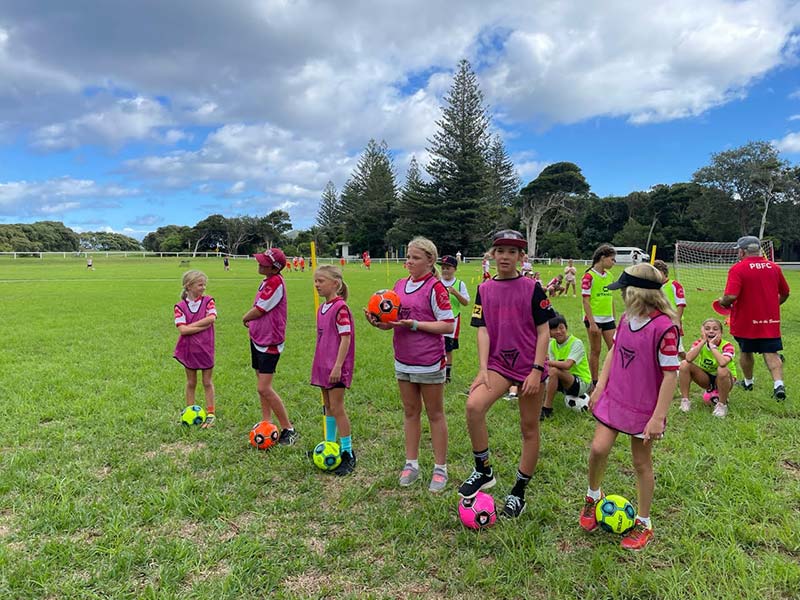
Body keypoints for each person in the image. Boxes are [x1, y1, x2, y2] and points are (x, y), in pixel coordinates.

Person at [579, 263, 679, 551]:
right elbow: (613, 353)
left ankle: (644, 523)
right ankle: (592, 497)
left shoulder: (665, 328)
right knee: (598, 449)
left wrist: (658, 418)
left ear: (636, 293)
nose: (621, 295)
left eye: (624, 290)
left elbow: (671, 374)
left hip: (644, 407)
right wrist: (599, 388)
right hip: (615, 398)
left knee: (640, 463)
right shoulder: (625, 319)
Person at [458, 229, 555, 519]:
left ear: (520, 257)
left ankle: (519, 491)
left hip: (529, 365)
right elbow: (483, 330)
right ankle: (483, 470)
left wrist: (537, 370)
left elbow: (543, 331)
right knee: (474, 407)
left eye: (512, 252)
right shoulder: (484, 289)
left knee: (529, 428)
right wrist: (483, 367)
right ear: (492, 254)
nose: (505, 257)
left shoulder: (532, 287)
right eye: (500, 251)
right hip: (499, 364)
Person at [364, 237, 454, 492]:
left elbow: (448, 325)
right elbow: (393, 322)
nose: (409, 262)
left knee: (435, 414)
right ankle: (411, 464)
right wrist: (378, 323)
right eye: (408, 257)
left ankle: (440, 468)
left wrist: (415, 324)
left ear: (430, 261)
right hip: (403, 360)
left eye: (415, 258)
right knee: (410, 412)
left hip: (429, 361)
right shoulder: (399, 285)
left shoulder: (436, 288)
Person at [719, 236, 790, 400]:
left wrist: (722, 302)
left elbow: (730, 296)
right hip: (769, 320)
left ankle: (748, 382)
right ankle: (778, 385)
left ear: (742, 251)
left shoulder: (738, 269)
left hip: (746, 321)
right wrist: (773, 306)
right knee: (771, 351)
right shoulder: (774, 267)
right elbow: (785, 293)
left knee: (746, 350)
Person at [242, 248, 298, 445]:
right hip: (258, 337)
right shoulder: (267, 280)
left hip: (270, 341)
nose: (259, 263)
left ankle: (288, 429)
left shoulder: (275, 282)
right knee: (261, 384)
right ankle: (267, 421)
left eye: (264, 262)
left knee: (264, 387)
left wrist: (245, 317)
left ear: (274, 268)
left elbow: (260, 309)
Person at [311, 265, 356, 475]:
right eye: (316, 281)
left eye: (321, 281)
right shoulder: (322, 308)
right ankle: (330, 444)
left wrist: (338, 365)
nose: (317, 285)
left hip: (336, 366)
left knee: (337, 407)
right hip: (322, 364)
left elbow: (345, 338)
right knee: (327, 406)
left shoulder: (341, 308)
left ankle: (348, 452)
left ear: (335, 284)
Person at [174, 270, 217, 428]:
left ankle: (211, 413)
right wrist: (202, 324)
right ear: (188, 286)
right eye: (200, 284)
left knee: (207, 382)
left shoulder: (208, 301)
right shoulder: (180, 306)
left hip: (206, 348)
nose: (204, 287)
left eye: (204, 284)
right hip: (189, 349)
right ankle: (189, 410)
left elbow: (211, 318)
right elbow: (182, 330)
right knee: (191, 382)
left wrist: (190, 326)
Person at [678, 319, 737, 417]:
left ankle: (722, 405)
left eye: (715, 329)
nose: (711, 331)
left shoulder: (727, 346)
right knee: (684, 364)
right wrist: (703, 342)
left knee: (721, 369)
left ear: (721, 333)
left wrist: (713, 346)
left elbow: (722, 363)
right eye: (707, 329)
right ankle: (685, 401)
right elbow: (688, 358)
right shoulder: (699, 343)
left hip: (725, 378)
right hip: (707, 378)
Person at [542, 315, 591, 420]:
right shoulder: (552, 345)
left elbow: (567, 365)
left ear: (566, 328)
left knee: (553, 370)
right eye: (554, 329)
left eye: (561, 328)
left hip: (581, 383)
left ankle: (547, 409)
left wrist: (545, 361)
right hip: (565, 380)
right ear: (549, 332)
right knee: (543, 372)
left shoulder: (576, 343)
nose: (558, 331)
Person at [582, 244, 617, 388]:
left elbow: (611, 298)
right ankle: (595, 382)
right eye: (612, 260)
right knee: (596, 350)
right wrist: (592, 323)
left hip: (608, 319)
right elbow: (585, 300)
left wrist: (614, 317)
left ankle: (613, 378)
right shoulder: (589, 276)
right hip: (594, 319)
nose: (614, 263)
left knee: (614, 349)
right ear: (602, 258)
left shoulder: (609, 276)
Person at [440, 255, 470, 383]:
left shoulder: (459, 284)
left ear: (455, 269)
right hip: (438, 319)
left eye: (448, 268)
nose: (445, 270)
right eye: (443, 268)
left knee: (448, 347)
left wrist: (455, 293)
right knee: (437, 344)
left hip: (453, 319)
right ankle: (436, 369)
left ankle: (447, 373)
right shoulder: (437, 282)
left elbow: (466, 302)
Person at [653, 260, 686, 359]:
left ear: (663, 272)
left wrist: (677, 320)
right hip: (658, 321)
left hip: (672, 322)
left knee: (678, 349)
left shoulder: (674, 285)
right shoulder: (654, 287)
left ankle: (689, 366)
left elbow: (681, 304)